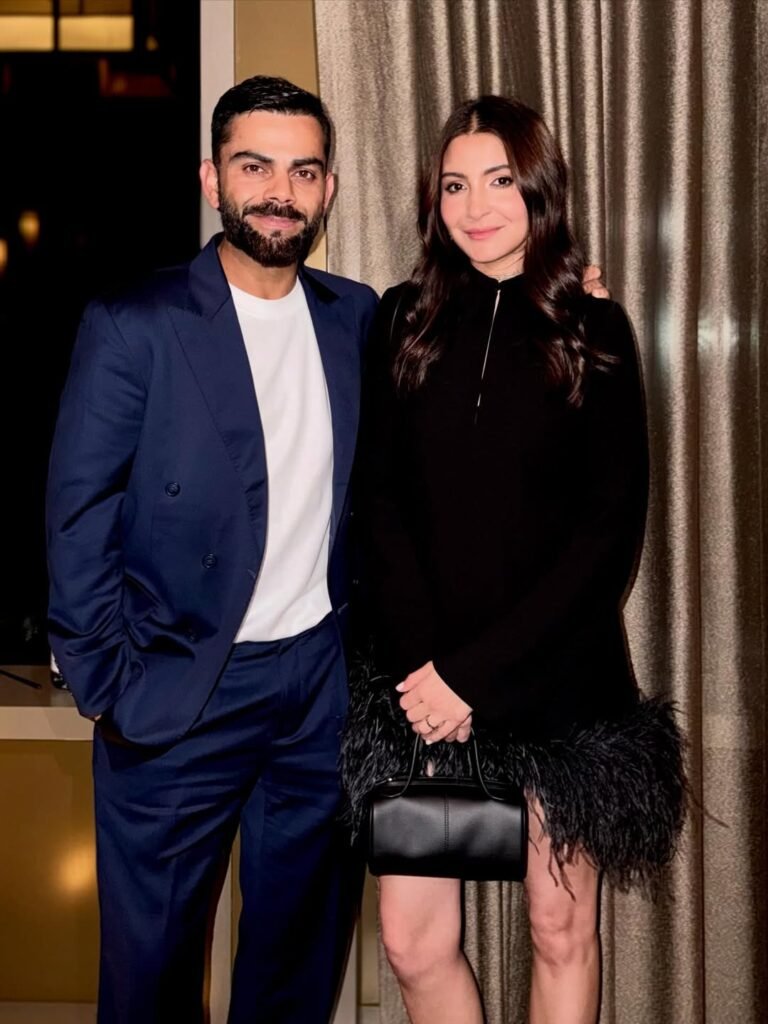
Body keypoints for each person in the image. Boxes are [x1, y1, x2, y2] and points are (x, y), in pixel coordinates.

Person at [343, 96, 685, 1024]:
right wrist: (431, 675)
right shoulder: (404, 319)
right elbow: (378, 503)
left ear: (539, 189)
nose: (476, 206)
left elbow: (608, 536)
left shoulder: (595, 329)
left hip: (559, 687)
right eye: (454, 185)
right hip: (418, 688)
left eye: (499, 180)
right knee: (412, 943)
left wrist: (476, 676)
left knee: (559, 928)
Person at [46, 76, 378, 1024]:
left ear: (329, 188)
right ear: (212, 178)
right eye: (255, 166)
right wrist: (106, 681)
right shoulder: (135, 323)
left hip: (318, 692)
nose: (280, 191)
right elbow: (77, 515)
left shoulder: (357, 316)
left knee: (296, 970)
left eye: (303, 171)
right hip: (178, 688)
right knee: (150, 977)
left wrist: (565, 301)